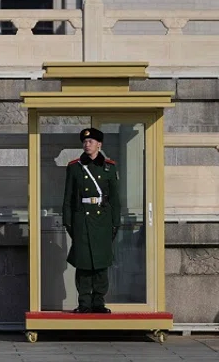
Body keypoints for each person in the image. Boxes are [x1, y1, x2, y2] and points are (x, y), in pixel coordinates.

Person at [62, 127, 121, 313]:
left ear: (99, 145)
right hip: (82, 220)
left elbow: (115, 199)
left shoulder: (109, 167)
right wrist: (68, 222)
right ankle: (84, 303)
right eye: (85, 142)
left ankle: (98, 302)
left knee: (101, 264)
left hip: (103, 220)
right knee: (84, 264)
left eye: (91, 142)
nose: (87, 144)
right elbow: (68, 197)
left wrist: (115, 222)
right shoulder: (75, 167)